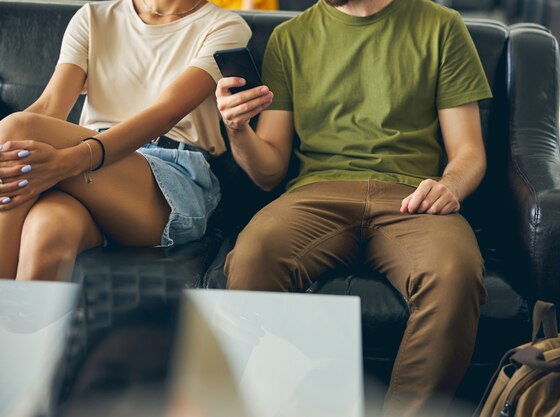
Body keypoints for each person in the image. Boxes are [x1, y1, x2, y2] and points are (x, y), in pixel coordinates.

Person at [215, 0, 492, 415]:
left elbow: (469, 151)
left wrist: (449, 186)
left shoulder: (441, 26)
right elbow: (270, 170)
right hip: (315, 194)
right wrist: (237, 130)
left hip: (412, 197)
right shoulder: (290, 39)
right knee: (253, 255)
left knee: (455, 274)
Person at [0, 0, 251, 280]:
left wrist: (72, 160)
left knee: (16, 128)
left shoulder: (226, 27)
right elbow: (49, 108)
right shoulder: (93, 17)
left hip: (171, 175)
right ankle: (17, 323)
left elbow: (165, 113)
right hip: (90, 177)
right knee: (48, 230)